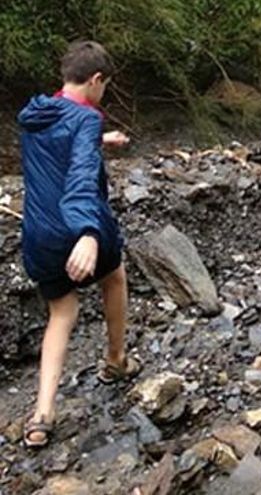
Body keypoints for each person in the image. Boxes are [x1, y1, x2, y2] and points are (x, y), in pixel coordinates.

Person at [18, 41, 139, 449]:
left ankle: (42, 415)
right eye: (104, 86)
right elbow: (82, 176)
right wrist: (88, 232)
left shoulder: (36, 115)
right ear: (96, 80)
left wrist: (102, 139)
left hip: (38, 233)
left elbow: (61, 143)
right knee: (115, 276)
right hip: (77, 227)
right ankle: (116, 361)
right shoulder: (86, 120)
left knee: (62, 311)